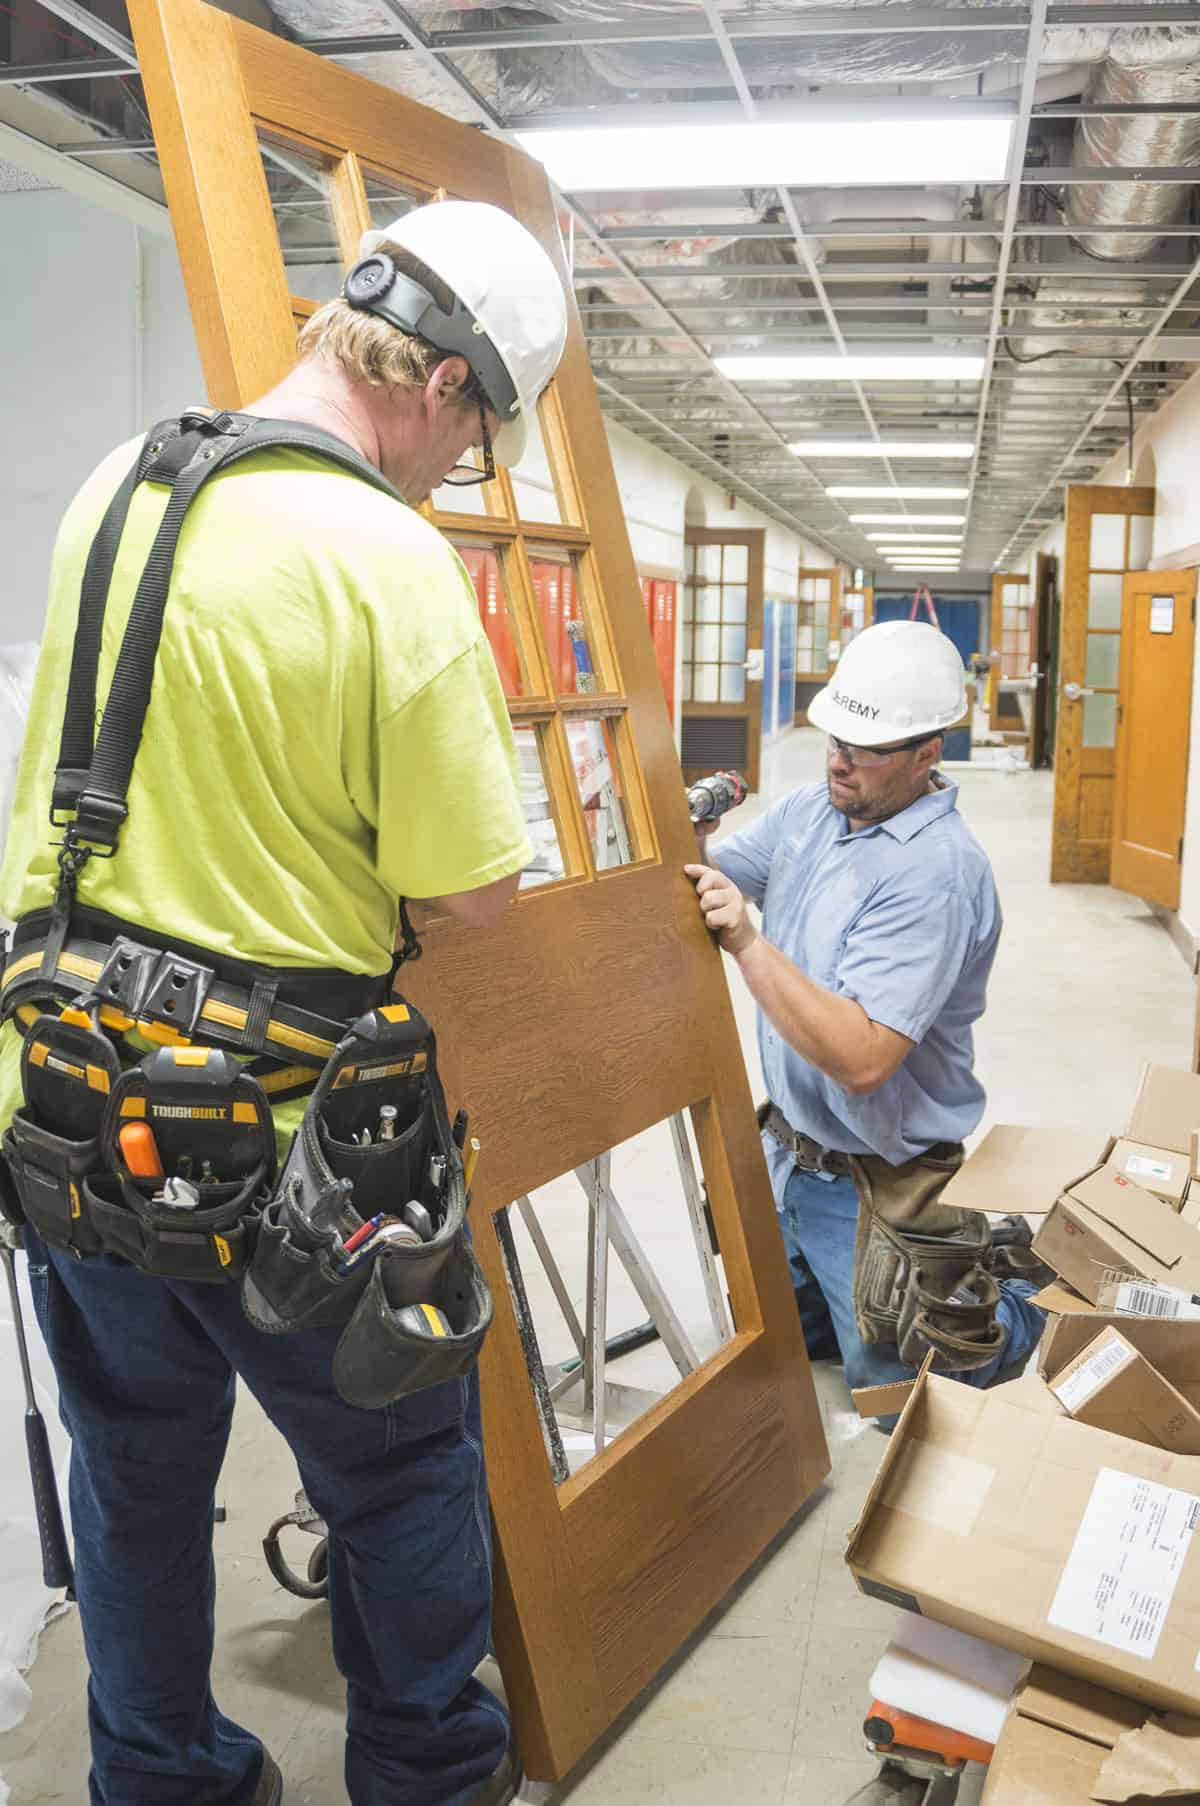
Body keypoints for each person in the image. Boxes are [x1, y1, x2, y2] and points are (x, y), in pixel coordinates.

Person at [0, 199, 567, 1806]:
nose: (455, 473)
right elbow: (469, 893)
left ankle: (161, 1768)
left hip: (71, 1099)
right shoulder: (391, 557)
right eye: (472, 440)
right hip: (294, 1147)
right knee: (399, 1476)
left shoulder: (123, 484)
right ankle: (425, 1775)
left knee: (133, 1471)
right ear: (444, 384)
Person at [686, 620, 1046, 1406]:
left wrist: (746, 940)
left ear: (929, 753)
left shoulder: (934, 875)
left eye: (869, 748)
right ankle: (899, 1276)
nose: (842, 760)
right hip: (794, 1152)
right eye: (835, 739)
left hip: (880, 1174)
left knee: (908, 1397)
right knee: (792, 1337)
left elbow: (860, 1058)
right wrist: (683, 842)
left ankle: (1021, 1298)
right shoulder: (817, 810)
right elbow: (712, 881)